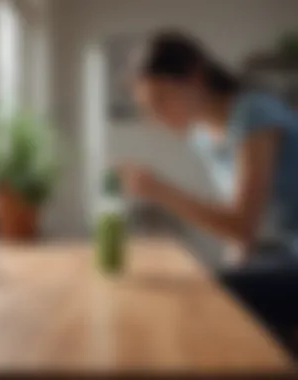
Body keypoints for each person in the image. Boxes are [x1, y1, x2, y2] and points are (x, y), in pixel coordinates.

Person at [119, 31, 298, 356]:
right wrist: (233, 269)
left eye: (162, 97)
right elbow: (240, 227)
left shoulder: (254, 114)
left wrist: (161, 191)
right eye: (149, 105)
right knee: (207, 292)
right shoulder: (202, 134)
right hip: (283, 250)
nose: (158, 115)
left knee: (207, 297)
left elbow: (241, 222)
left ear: (195, 76)